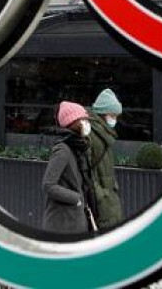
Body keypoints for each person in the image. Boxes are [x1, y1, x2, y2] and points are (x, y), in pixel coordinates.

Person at [42, 101, 97, 233]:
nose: (86, 123)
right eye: (83, 120)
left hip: (74, 222)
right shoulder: (63, 150)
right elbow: (48, 185)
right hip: (63, 224)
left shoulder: (77, 148)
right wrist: (76, 198)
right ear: (74, 123)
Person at [87, 87, 125, 229]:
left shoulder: (105, 133)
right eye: (112, 115)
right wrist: (100, 195)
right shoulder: (93, 135)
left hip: (108, 197)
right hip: (102, 201)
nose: (114, 119)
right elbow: (87, 170)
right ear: (103, 114)